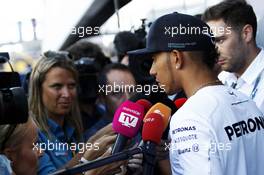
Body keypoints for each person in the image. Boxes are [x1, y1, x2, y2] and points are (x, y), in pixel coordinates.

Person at [128, 12, 264, 175]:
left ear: (177, 58)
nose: (152, 70)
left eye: (155, 59)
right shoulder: (247, 102)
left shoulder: (189, 117)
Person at [29, 51, 123, 175]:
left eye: (71, 86)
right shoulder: (30, 133)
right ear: (38, 89)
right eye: (57, 86)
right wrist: (90, 146)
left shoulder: (73, 129)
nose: (66, 94)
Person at [202, 0, 264, 113]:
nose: (214, 50)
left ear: (246, 33)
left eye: (220, 40)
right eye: (211, 43)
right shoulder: (222, 78)